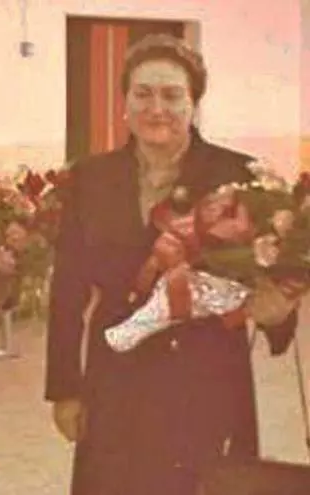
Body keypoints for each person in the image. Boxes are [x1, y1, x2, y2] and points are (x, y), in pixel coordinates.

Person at [45, 33, 302, 495]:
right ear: (125, 103)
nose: (156, 108)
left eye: (171, 95)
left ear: (193, 103)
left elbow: (276, 278)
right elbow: (67, 289)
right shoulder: (91, 178)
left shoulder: (239, 176)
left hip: (207, 381)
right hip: (116, 378)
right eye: (142, 94)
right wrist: (64, 388)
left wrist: (278, 315)